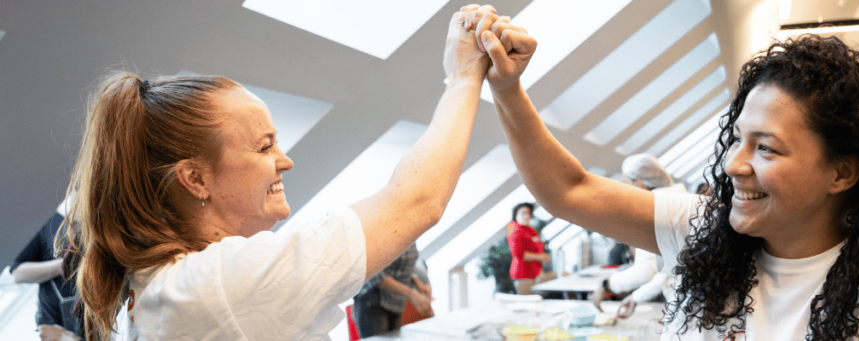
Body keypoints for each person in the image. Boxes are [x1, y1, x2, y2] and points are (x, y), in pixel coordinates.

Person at [463, 8, 859, 340]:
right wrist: (507, 89)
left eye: (767, 149)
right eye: (738, 139)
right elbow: (570, 190)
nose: (734, 165)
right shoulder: (701, 227)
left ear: (841, 172)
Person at [57, 5, 504, 340]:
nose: (286, 161)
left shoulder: (173, 286)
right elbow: (418, 199)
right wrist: (463, 76)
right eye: (265, 146)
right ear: (195, 179)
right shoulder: (221, 286)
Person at [594, 154, 678, 315]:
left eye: (627, 184)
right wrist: (636, 298)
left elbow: (645, 270)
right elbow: (670, 271)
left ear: (639, 184)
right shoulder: (679, 201)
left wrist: (606, 285)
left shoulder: (655, 210)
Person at [10, 195, 83, 340]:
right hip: (53, 324)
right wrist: (62, 266)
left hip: (90, 321)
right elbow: (17, 273)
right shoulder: (49, 222)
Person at [353, 245, 431, 337]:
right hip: (373, 302)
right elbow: (374, 274)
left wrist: (416, 280)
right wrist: (411, 293)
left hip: (396, 302)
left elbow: (407, 261)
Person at [506, 202, 549, 295]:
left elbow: (539, 248)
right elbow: (519, 254)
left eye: (528, 213)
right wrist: (541, 257)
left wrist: (542, 258)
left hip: (535, 273)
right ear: (516, 215)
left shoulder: (531, 230)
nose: (526, 216)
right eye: (523, 213)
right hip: (523, 274)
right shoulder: (514, 230)